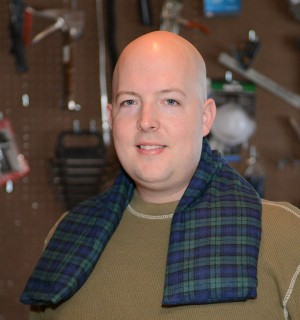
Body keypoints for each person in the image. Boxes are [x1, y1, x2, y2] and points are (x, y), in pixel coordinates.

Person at [21, 31, 300, 320]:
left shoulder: (285, 235)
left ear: (205, 117)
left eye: (169, 101)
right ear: (111, 116)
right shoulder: (66, 237)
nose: (146, 121)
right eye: (129, 102)